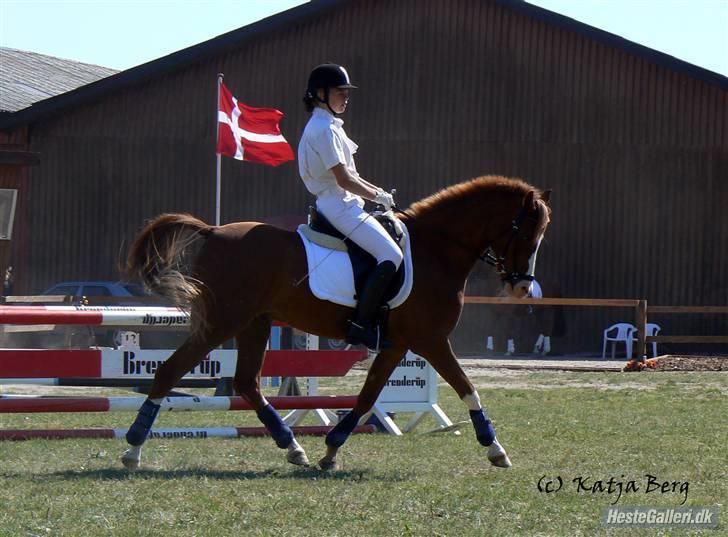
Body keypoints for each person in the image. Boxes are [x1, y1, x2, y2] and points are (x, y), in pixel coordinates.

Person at [298, 63, 403, 350]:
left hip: (343, 201)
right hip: (338, 205)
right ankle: (360, 326)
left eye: (346, 92)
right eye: (340, 91)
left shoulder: (330, 126)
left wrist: (377, 191)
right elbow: (344, 179)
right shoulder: (323, 129)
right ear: (320, 93)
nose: (346, 97)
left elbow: (352, 176)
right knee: (390, 254)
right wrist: (377, 197)